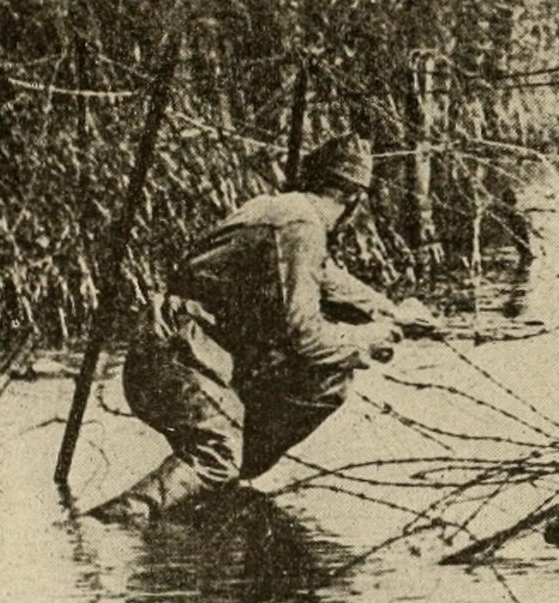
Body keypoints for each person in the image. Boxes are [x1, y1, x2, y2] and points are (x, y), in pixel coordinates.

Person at [89, 135, 424, 524]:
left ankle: (201, 506)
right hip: (179, 356)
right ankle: (110, 523)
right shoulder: (303, 226)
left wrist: (391, 313)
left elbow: (325, 278)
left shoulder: (279, 209)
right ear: (353, 199)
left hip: (170, 354)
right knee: (219, 455)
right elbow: (308, 337)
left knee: (319, 384)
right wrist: (364, 339)